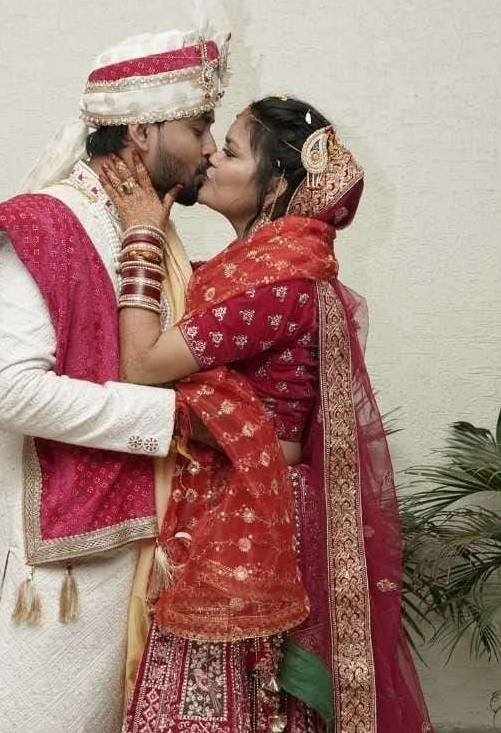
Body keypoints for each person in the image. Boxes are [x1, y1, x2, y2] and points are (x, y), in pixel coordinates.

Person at [98, 96, 433, 733]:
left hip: (251, 516)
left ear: (275, 182)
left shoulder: (279, 281)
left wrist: (141, 235)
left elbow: (140, 363)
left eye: (229, 151)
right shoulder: (253, 269)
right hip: (235, 498)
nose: (209, 159)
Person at [0, 26, 230, 733]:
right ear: (141, 131)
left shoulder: (147, 230)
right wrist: (171, 421)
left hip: (143, 545)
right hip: (58, 564)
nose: (210, 149)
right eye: (199, 128)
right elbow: (10, 393)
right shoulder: (41, 228)